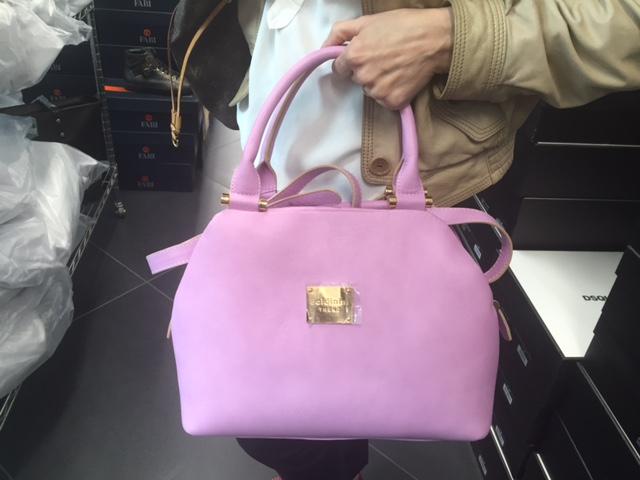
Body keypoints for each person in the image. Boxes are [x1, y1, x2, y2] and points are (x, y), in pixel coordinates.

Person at [188, 0, 640, 478]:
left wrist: (450, 39)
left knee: (353, 369)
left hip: (412, 184)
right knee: (276, 399)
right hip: (273, 151)